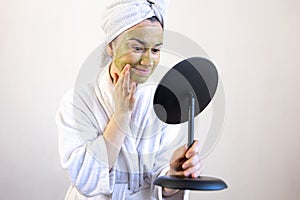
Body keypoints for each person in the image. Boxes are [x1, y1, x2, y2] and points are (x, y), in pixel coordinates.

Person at [56, 0, 203, 199]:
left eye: (156, 50)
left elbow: (156, 182)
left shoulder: (161, 104)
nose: (148, 61)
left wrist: (173, 178)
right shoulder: (77, 104)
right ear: (111, 46)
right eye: (137, 48)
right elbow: (85, 180)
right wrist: (121, 116)